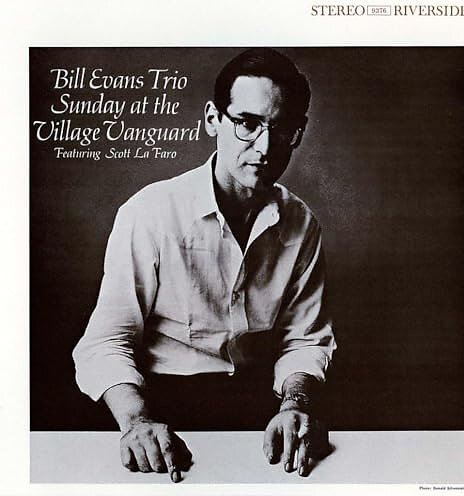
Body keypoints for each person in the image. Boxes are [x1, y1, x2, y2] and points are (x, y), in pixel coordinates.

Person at [73, 48, 336, 482]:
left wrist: (295, 404)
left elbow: (305, 339)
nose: (264, 147)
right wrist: (137, 421)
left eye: (281, 128)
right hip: (159, 405)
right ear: (214, 119)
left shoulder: (302, 223)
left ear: (298, 132)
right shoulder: (151, 212)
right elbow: (105, 343)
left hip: (262, 407)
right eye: (247, 123)